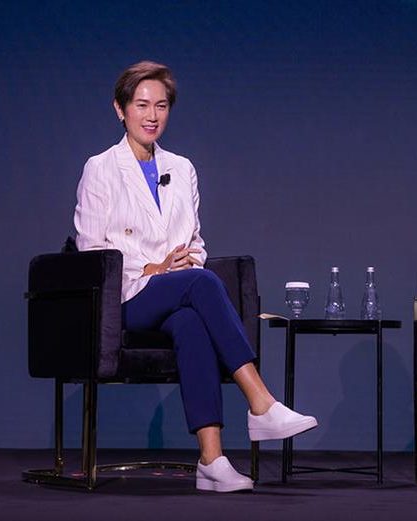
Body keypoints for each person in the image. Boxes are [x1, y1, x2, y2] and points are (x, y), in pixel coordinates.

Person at [74, 61, 318, 493]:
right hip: (128, 296)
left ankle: (212, 461)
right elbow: (92, 250)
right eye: (142, 105)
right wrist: (152, 268)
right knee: (204, 283)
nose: (153, 116)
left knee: (191, 322)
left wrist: (185, 260)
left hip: (172, 291)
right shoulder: (101, 168)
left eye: (162, 106)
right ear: (120, 109)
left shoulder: (182, 168)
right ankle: (260, 402)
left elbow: (196, 241)